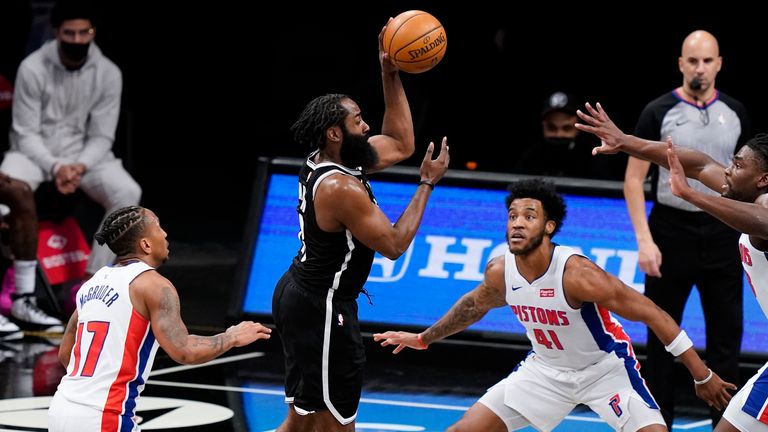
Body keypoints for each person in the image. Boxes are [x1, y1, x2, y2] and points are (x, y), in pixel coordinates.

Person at [374, 178, 734, 432]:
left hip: (605, 372)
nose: (517, 223)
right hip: (544, 372)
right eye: (512, 215)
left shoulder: (579, 274)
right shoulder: (501, 271)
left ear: (549, 227)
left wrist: (701, 374)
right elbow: (474, 305)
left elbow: (654, 314)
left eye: (528, 216)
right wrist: (424, 339)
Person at [271, 19, 450, 432]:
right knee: (337, 425)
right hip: (322, 306)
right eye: (358, 121)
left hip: (302, 297)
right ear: (335, 132)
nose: (367, 126)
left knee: (298, 425)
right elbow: (394, 244)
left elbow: (402, 143)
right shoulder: (339, 186)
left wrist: (390, 73)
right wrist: (426, 184)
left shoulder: (331, 158)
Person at [576, 102, 768, 432]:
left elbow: (763, 222)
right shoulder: (748, 195)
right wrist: (626, 142)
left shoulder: (763, 209)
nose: (727, 170)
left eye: (737, 165)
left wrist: (690, 197)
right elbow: (697, 163)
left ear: (763, 179)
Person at [619, 29, 749, 428]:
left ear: (720, 64)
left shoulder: (736, 111)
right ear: (680, 64)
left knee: (726, 340)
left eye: (707, 60)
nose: (700, 68)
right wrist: (644, 240)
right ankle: (658, 424)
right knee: (661, 339)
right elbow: (633, 179)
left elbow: (748, 180)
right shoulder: (657, 111)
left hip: (723, 230)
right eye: (692, 60)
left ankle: (724, 424)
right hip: (670, 231)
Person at [47, 205, 272, 431]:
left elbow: (66, 353)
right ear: (145, 244)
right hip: (104, 415)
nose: (164, 233)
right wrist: (231, 337)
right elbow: (185, 350)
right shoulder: (154, 285)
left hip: (62, 407)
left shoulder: (92, 283)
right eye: (158, 227)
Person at [0, 0, 141, 332]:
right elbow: (25, 130)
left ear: (93, 32)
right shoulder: (32, 67)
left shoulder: (108, 72)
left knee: (127, 191)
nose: (77, 40)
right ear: (55, 32)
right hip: (33, 154)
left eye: (84, 32)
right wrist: (55, 168)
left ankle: (91, 283)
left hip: (84, 156)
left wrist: (78, 166)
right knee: (6, 191)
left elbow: (103, 135)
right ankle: (16, 293)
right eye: (70, 33)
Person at [512, 91, 625, 180]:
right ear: (543, 126)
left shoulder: (594, 156)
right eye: (552, 128)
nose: (559, 134)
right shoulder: (531, 156)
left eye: (567, 128)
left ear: (578, 126)